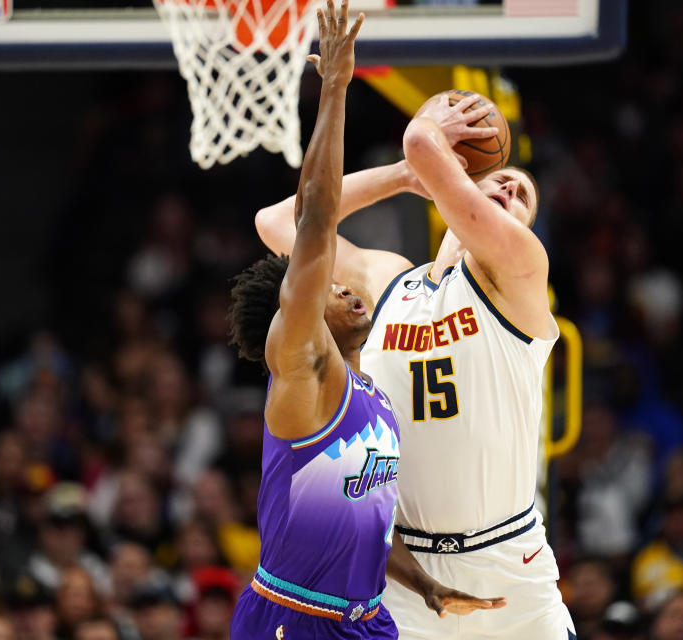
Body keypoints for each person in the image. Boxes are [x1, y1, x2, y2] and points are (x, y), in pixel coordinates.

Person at [227, 3, 502, 637]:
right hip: (292, 615)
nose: (347, 287)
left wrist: (428, 585)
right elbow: (314, 218)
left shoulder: (371, 394)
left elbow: (367, 518)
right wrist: (335, 89)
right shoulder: (301, 363)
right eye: (327, 285)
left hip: (366, 619)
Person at [254, 94, 572, 638]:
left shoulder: (520, 274)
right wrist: (402, 176)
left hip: (509, 563)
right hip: (403, 573)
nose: (512, 189)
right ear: (462, 187)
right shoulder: (388, 281)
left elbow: (421, 141)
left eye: (523, 197)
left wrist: (426, 140)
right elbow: (279, 220)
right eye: (501, 180)